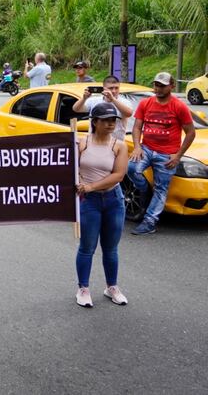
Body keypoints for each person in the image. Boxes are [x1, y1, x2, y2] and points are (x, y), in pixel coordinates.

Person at [75, 102, 129, 308]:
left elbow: (118, 175)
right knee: (87, 247)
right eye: (105, 120)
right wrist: (81, 185)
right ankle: (83, 288)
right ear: (94, 122)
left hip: (113, 200)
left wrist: (90, 186)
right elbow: (69, 168)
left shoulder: (119, 145)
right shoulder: (82, 143)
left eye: (113, 120)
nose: (110, 124)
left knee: (111, 248)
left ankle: (112, 287)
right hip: (89, 202)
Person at [128, 72, 195, 235]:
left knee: (161, 189)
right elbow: (137, 127)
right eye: (156, 85)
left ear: (171, 86)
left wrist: (178, 155)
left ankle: (149, 222)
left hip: (167, 154)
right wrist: (137, 146)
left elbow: (191, 132)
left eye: (162, 85)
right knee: (130, 168)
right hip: (146, 149)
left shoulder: (179, 106)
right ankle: (145, 191)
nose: (158, 88)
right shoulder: (146, 103)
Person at [72, 75, 134, 140]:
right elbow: (76, 109)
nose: (114, 91)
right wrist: (84, 98)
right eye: (111, 88)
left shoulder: (125, 102)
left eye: (116, 88)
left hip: (116, 143)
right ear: (104, 88)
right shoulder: (94, 100)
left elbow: (128, 113)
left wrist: (113, 100)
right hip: (94, 143)